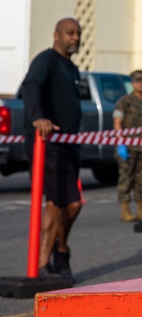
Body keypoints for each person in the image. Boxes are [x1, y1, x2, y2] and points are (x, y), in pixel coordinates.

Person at [19, 18, 84, 279]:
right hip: (47, 145)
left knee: (65, 205)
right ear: (56, 34)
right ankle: (49, 261)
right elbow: (30, 85)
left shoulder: (73, 68)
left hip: (68, 146)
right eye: (70, 33)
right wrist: (38, 118)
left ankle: (58, 253)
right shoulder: (45, 60)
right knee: (62, 204)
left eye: (78, 33)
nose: (75, 38)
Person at [113, 69, 142, 222]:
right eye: (137, 81)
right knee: (126, 178)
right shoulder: (124, 102)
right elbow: (117, 122)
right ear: (132, 84)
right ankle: (125, 210)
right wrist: (121, 143)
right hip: (128, 146)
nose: (140, 84)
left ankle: (141, 209)